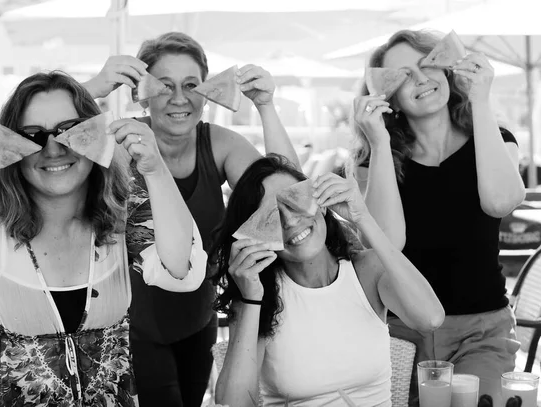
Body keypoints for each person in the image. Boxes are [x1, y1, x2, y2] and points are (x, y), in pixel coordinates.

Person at [0, 71, 207, 406]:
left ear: (95, 136)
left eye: (69, 132)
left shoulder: (124, 209)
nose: (53, 149)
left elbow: (183, 272)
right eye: (33, 136)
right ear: (10, 144)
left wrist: (155, 170)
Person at [83, 32, 300, 406]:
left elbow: (290, 199)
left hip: (199, 324)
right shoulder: (122, 141)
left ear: (209, 91)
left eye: (191, 85)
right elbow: (39, 148)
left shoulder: (219, 144)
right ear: (141, 90)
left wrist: (266, 107)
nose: (179, 98)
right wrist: (93, 90)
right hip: (130, 329)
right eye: (164, 85)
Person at [352, 29, 525, 405]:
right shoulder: (375, 161)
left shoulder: (496, 139)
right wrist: (380, 143)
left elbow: (501, 202)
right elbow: (386, 243)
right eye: (402, 76)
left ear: (447, 71)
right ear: (388, 98)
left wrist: (480, 99)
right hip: (398, 333)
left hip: (482, 333)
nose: (420, 79)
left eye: (427, 65)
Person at [210, 154, 444, 407]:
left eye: (295, 201)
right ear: (257, 237)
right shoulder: (256, 294)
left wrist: (362, 217)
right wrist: (250, 298)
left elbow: (430, 318)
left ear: (320, 203)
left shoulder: (367, 270)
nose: (290, 221)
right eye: (271, 218)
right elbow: (233, 404)